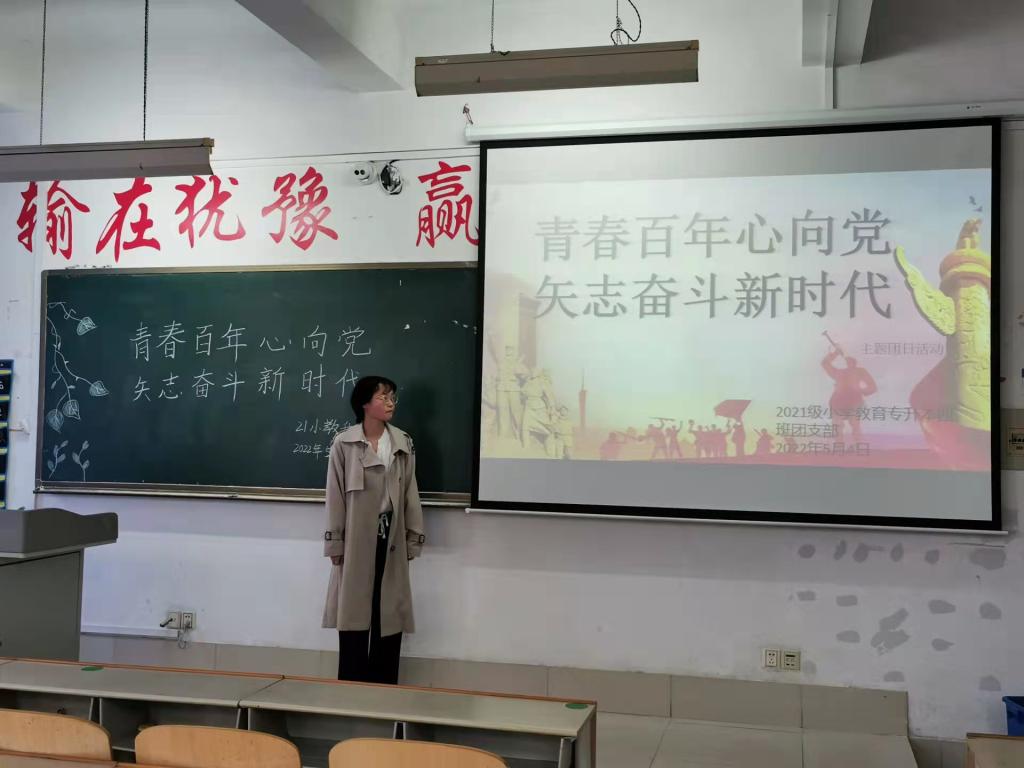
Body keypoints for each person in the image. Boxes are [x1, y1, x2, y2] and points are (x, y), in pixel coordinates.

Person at [322, 375, 425, 685]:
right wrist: (335, 542)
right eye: (383, 397)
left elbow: (410, 492)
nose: (390, 403)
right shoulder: (345, 443)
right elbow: (335, 496)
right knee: (353, 615)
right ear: (365, 403)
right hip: (356, 540)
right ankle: (351, 692)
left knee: (388, 615)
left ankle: (384, 691)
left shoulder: (402, 442)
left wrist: (413, 537)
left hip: (391, 537)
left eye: (392, 397)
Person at [822, 349, 878, 441]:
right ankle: (840, 445)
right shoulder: (839, 372)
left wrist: (861, 391)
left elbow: (873, 387)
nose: (849, 361)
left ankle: (858, 444)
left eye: (851, 360)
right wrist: (835, 353)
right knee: (838, 426)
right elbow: (825, 363)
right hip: (838, 402)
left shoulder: (860, 371)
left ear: (855, 362)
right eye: (848, 360)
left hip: (853, 402)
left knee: (855, 425)